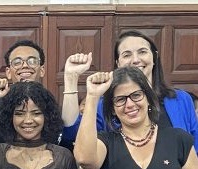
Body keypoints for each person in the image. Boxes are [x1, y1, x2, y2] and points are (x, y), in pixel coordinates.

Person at [63, 30, 198, 151]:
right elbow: (71, 133)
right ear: (118, 63)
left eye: (142, 52)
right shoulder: (106, 104)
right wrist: (71, 77)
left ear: (154, 57)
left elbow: (195, 147)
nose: (135, 60)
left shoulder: (181, 99)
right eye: (127, 55)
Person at [0, 39, 46, 143]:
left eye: (32, 61)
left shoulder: (50, 104)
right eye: (17, 62)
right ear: (8, 72)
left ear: (42, 70)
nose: (25, 66)